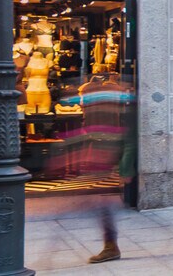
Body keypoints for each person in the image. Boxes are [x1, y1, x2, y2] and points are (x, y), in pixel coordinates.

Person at [65, 69, 136, 264]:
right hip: (99, 152)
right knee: (101, 202)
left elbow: (130, 138)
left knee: (103, 202)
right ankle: (110, 245)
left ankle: (111, 246)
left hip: (107, 155)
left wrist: (125, 167)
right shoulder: (110, 96)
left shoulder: (123, 104)